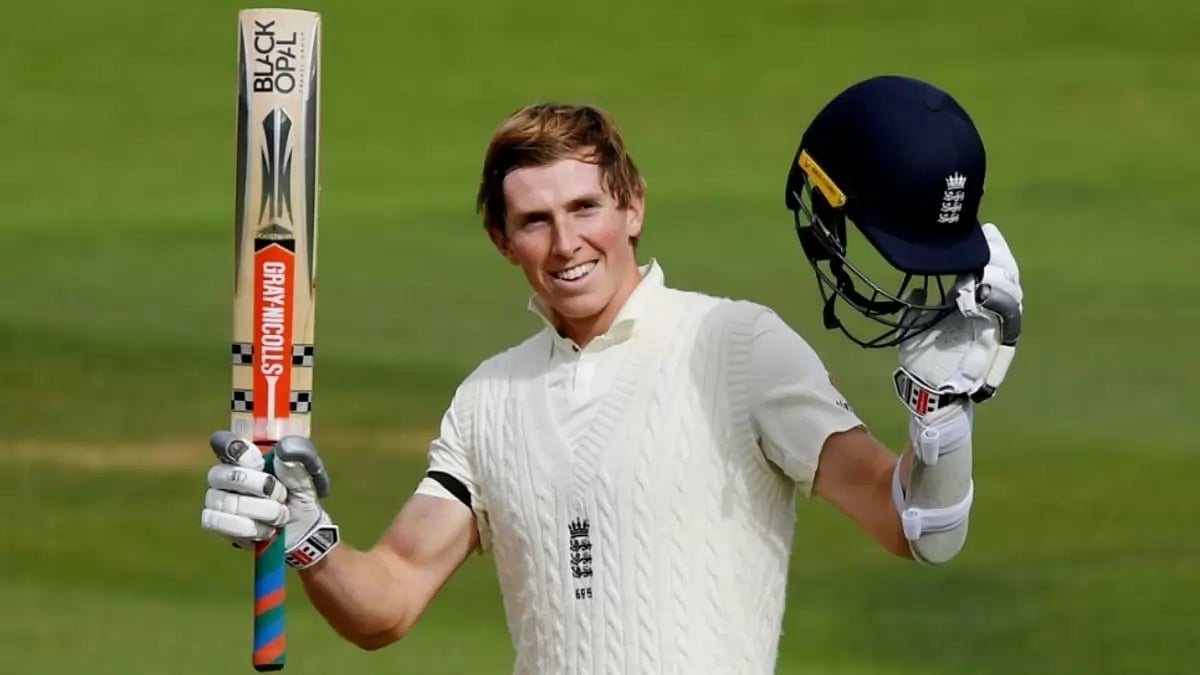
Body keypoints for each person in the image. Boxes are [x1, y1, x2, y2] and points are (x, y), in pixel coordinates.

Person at [201, 75, 1024, 674]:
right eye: (536, 220)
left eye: (585, 208)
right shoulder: (487, 400)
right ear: (503, 239)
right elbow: (386, 602)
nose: (566, 245)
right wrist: (301, 533)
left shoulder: (736, 344)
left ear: (632, 205)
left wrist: (943, 418)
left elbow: (917, 526)